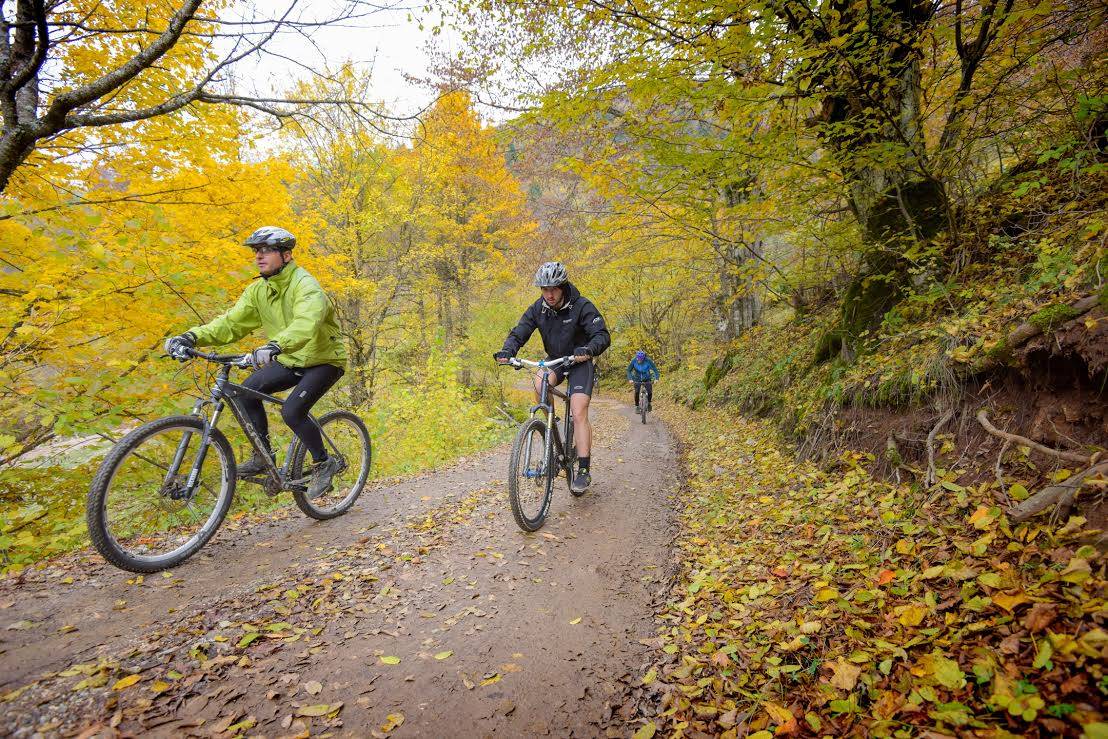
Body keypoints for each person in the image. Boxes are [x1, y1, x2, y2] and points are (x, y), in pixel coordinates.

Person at [163, 226, 348, 499]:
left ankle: (323, 462)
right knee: (242, 393)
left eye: (266, 250)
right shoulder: (258, 291)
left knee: (292, 411)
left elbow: (306, 323)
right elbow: (230, 323)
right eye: (256, 251)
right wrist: (191, 337)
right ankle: (263, 456)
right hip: (288, 358)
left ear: (286, 255)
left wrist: (275, 346)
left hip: (323, 360)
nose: (259, 256)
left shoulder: (306, 286)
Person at [494, 261, 610, 492]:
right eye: (544, 289)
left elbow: (602, 335)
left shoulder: (581, 306)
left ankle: (584, 470)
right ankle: (550, 425)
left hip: (580, 361)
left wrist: (588, 349)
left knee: (578, 410)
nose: (549, 294)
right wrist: (509, 350)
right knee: (539, 382)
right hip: (555, 359)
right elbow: (520, 331)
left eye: (553, 288)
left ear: (563, 286)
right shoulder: (538, 308)